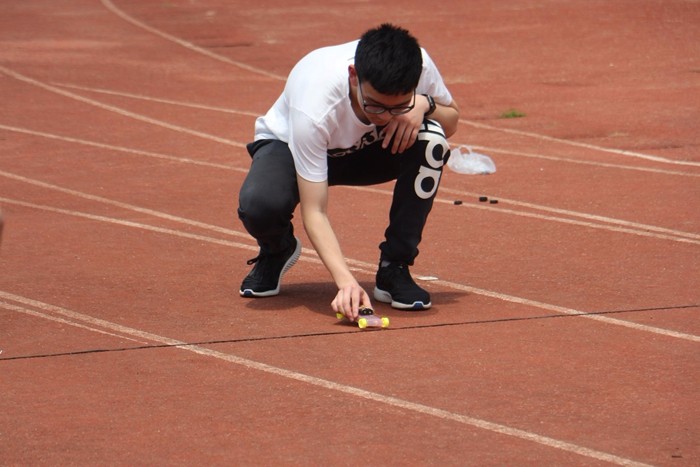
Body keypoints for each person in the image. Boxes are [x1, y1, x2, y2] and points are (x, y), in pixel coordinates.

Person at [237, 24, 459, 322]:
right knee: (259, 205)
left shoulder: (417, 63)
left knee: (432, 141)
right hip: (291, 148)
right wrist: (346, 283)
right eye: (375, 105)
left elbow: (452, 119)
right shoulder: (315, 103)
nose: (385, 116)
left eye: (398, 107)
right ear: (354, 76)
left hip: (367, 152)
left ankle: (395, 266)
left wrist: (423, 104)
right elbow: (315, 210)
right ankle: (277, 249)